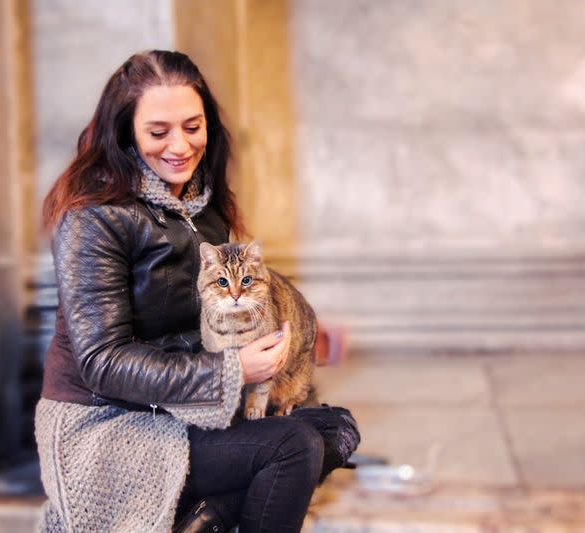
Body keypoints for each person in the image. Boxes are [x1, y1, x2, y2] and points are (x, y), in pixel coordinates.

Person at [35, 50, 360, 533]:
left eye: (193, 126)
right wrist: (232, 371)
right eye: (158, 132)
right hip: (110, 425)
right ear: (125, 133)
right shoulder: (93, 217)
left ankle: (204, 520)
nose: (180, 146)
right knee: (293, 447)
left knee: (336, 428)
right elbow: (102, 363)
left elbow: (227, 293)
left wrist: (302, 329)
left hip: (184, 404)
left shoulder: (203, 202)